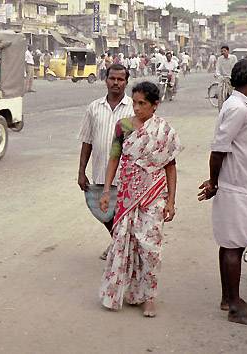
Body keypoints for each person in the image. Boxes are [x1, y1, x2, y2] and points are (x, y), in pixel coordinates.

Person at [99, 81, 182, 316]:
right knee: (123, 242)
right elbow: (114, 159)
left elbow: (170, 167)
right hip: (127, 195)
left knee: (150, 248)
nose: (136, 108)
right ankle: (117, 293)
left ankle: (149, 297)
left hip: (154, 196)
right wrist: (107, 191)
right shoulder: (123, 127)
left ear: (155, 105)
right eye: (134, 103)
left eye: (142, 103)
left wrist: (171, 201)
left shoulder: (164, 131)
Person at [198, 59, 247, 328]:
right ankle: (236, 307)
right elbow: (218, 149)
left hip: (239, 185)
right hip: (234, 187)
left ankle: (229, 299)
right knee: (233, 246)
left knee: (231, 244)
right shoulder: (238, 108)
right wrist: (214, 182)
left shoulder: (239, 106)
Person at [78, 64, 134, 260]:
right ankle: (118, 244)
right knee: (103, 212)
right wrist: (81, 171)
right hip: (101, 171)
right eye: (112, 78)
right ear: (105, 80)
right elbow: (87, 140)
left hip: (126, 175)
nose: (116, 83)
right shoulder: (94, 107)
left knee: (123, 215)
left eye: (120, 79)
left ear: (126, 82)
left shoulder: (133, 108)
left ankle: (119, 248)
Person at [216, 45, 238, 110]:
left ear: (228, 51)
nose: (223, 52)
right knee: (220, 93)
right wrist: (218, 75)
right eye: (222, 51)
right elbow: (217, 68)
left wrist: (233, 76)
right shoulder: (220, 59)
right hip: (223, 78)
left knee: (233, 93)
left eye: (224, 51)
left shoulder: (233, 58)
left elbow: (235, 67)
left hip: (231, 78)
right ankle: (221, 109)